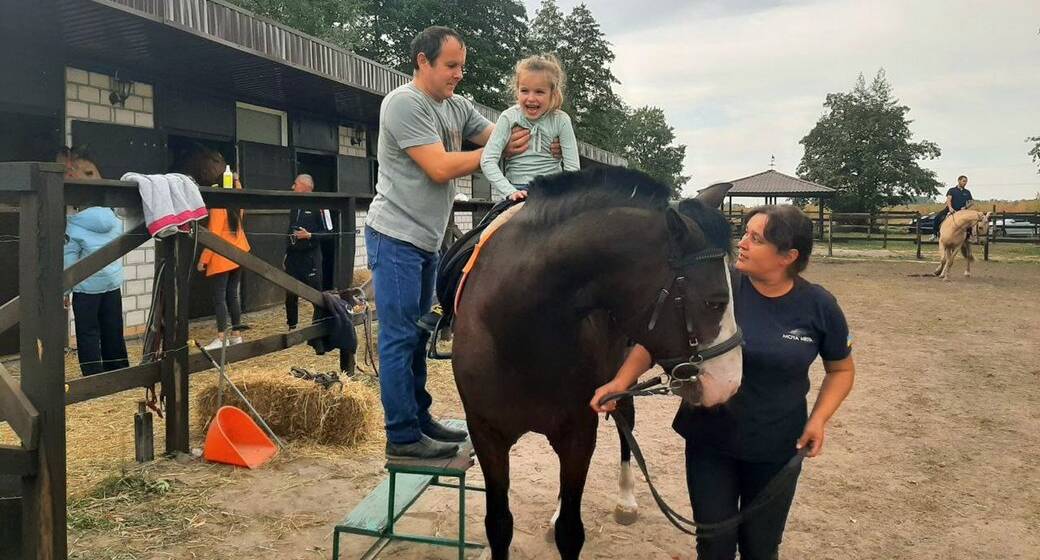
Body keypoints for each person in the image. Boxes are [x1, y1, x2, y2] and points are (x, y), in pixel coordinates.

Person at [591, 205, 856, 560]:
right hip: (710, 440)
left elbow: (841, 370)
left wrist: (819, 419)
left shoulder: (818, 306)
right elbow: (655, 342)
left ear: (788, 256)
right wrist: (621, 381)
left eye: (756, 238)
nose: (742, 243)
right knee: (713, 547)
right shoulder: (719, 284)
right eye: (744, 233)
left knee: (760, 550)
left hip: (777, 447)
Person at [367, 25, 527, 459]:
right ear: (423, 61)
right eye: (451, 66)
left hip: (426, 239)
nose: (458, 75)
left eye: (462, 66)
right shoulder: (404, 104)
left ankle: (420, 419)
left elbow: (500, 134)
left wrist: (533, 117)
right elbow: (438, 167)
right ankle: (401, 436)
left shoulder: (457, 106)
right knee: (399, 337)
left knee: (420, 334)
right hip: (395, 235)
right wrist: (495, 154)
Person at [59, 146, 130, 376]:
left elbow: (70, 258)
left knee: (88, 331)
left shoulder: (75, 221)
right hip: (112, 283)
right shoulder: (112, 216)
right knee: (113, 327)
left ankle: (93, 374)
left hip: (87, 287)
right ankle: (118, 368)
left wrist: (65, 289)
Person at [480, 53, 579, 202]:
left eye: (539, 92)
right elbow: (487, 160)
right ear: (517, 90)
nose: (531, 98)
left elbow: (573, 168)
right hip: (515, 190)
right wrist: (509, 191)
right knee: (489, 224)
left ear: (553, 93)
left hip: (551, 190)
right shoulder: (508, 117)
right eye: (524, 90)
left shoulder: (562, 120)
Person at [198, 172, 250, 351]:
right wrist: (236, 179)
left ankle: (221, 337)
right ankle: (236, 335)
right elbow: (240, 191)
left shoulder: (218, 206)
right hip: (239, 253)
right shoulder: (237, 203)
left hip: (222, 256)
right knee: (232, 295)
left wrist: (203, 259)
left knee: (219, 297)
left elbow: (213, 234)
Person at [284, 174, 333, 330]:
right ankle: (292, 326)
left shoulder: (320, 205)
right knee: (290, 292)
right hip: (293, 255)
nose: (293, 187)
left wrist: (310, 235)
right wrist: (286, 253)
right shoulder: (294, 205)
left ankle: (319, 326)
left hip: (311, 256)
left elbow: (330, 232)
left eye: (295, 184)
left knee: (315, 293)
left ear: (305, 186)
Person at [931, 175, 974, 241]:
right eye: (963, 181)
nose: (965, 183)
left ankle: (969, 236)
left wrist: (965, 207)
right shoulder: (952, 190)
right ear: (959, 181)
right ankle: (934, 234)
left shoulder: (967, 192)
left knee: (969, 221)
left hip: (962, 211)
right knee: (937, 217)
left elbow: (971, 202)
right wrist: (950, 208)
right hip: (950, 209)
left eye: (966, 181)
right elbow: (948, 200)